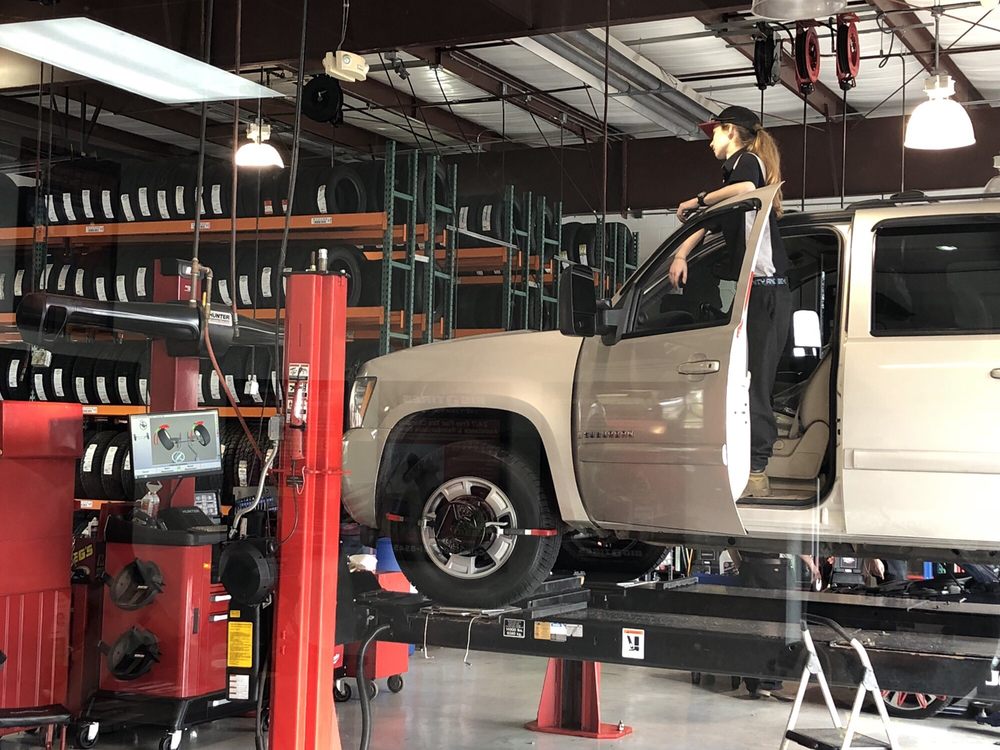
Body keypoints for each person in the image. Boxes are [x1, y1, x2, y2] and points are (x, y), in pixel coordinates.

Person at [668, 105, 790, 498]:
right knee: (745, 380)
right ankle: (748, 466)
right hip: (758, 290)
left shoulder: (747, 163)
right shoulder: (734, 178)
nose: (710, 143)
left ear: (731, 131)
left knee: (754, 382)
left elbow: (742, 189)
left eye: (714, 134)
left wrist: (697, 199)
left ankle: (757, 471)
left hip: (767, 288)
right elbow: (709, 221)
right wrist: (680, 254)